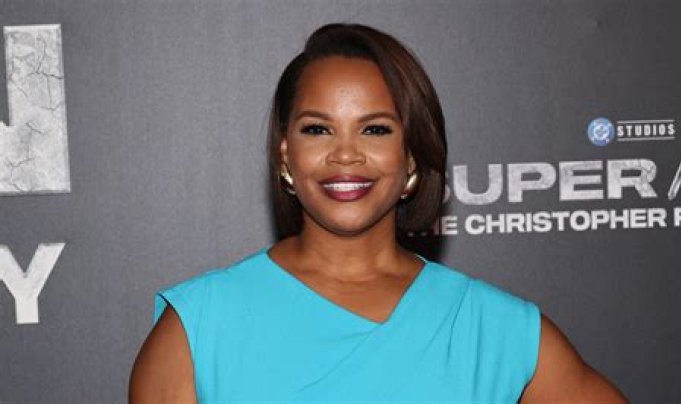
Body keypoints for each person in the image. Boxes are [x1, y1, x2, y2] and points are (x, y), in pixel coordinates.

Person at [129, 23, 627, 403]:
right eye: (318, 129)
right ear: (285, 155)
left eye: (375, 130)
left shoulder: (493, 329)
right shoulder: (198, 330)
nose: (345, 154)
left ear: (411, 157)